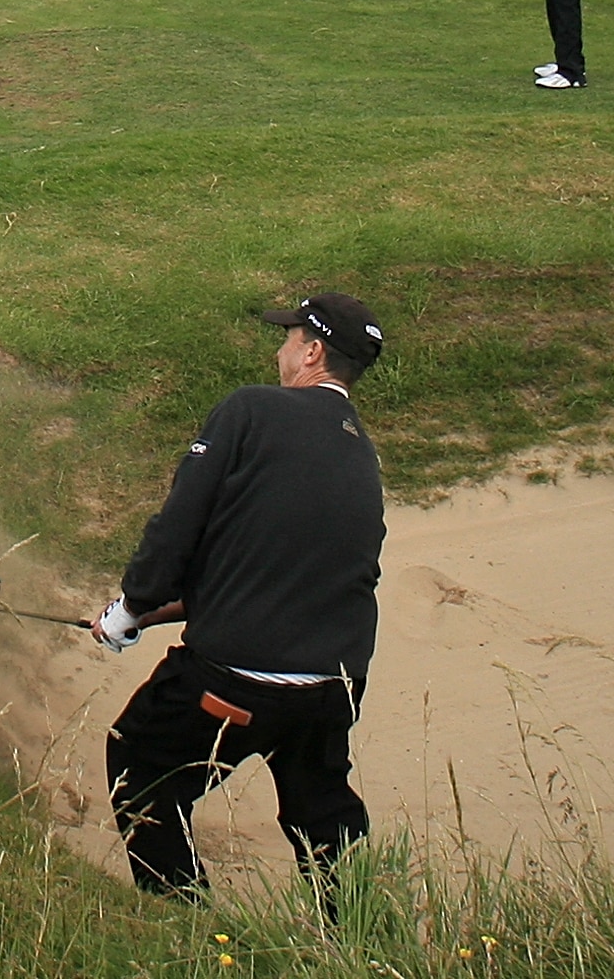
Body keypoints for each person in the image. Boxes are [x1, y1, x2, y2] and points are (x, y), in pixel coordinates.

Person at [96, 294, 387, 902]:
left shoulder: (251, 409)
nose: (280, 349)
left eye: (290, 338)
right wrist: (171, 609)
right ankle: (363, 938)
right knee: (323, 815)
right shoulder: (360, 450)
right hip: (332, 687)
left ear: (312, 353)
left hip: (236, 680)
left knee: (141, 765)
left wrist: (129, 609)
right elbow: (293, 567)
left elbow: (180, 523)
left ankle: (186, 925)